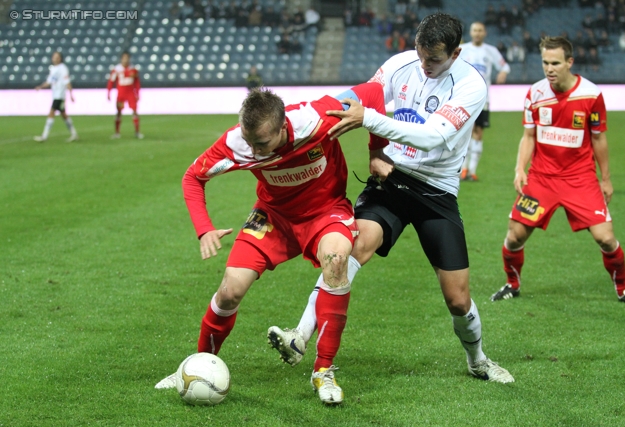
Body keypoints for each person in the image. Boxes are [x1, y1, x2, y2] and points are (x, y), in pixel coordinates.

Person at [268, 13, 514, 384]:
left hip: (436, 191)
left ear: (456, 52)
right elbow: (358, 99)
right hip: (391, 180)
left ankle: (477, 359)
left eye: (435, 59)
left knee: (458, 300)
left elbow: (432, 136)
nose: (425, 65)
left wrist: (369, 119)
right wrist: (298, 122)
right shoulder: (400, 65)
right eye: (420, 54)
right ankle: (300, 336)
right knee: (346, 251)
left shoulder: (471, 85)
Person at [154, 83, 389, 405]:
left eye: (262, 143)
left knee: (336, 261)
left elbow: (374, 93)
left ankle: (323, 371)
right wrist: (203, 228)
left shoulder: (317, 117)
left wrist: (377, 150)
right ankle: (197, 365)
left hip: (326, 212)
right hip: (272, 217)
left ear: (282, 127)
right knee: (229, 290)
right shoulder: (238, 143)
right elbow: (193, 177)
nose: (254, 150)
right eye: (250, 142)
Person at [491, 37, 625, 306]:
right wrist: (519, 168)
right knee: (514, 236)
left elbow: (599, 139)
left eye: (555, 63)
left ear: (569, 62)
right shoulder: (535, 93)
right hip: (542, 179)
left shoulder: (591, 95)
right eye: (545, 62)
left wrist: (606, 179)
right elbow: (528, 136)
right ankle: (512, 284)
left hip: (580, 179)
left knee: (606, 239)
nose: (549, 68)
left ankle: (624, 289)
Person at [458, 22, 510, 181]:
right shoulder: (463, 49)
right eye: (475, 30)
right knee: (465, 133)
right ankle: (464, 169)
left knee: (478, 133)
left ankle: (472, 170)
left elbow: (505, 67)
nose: (477, 33)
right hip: (465, 97)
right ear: (471, 32)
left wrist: (503, 73)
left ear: (485, 33)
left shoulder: (491, 51)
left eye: (480, 30)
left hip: (483, 98)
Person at [33, 52, 79, 142]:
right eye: (54, 57)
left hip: (60, 95)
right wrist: (40, 87)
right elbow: (49, 82)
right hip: (55, 95)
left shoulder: (63, 68)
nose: (55, 58)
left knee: (51, 113)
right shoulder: (53, 69)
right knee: (64, 115)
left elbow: (67, 82)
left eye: (57, 57)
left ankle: (44, 136)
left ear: (60, 58)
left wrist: (71, 94)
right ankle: (74, 134)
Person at [107, 52, 143, 139]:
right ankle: (117, 133)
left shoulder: (133, 69)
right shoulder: (116, 69)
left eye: (127, 57)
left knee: (134, 110)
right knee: (119, 112)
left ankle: (137, 132)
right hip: (121, 94)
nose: (126, 59)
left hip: (130, 93)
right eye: (124, 58)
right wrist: (108, 92)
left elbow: (137, 83)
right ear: (121, 59)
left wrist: (137, 93)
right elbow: (111, 81)